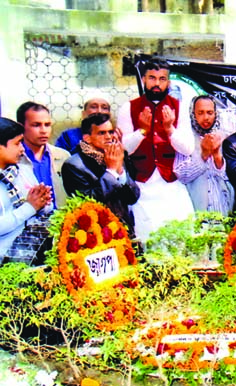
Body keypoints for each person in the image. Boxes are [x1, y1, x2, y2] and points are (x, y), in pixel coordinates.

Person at [115, 57, 195, 242]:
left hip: (171, 184)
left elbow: (188, 148)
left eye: (162, 79)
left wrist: (169, 129)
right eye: (152, 78)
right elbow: (124, 149)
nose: (156, 84)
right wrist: (142, 130)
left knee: (179, 238)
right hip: (141, 185)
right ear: (143, 79)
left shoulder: (179, 107)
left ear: (168, 82)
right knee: (146, 238)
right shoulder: (129, 108)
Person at [61, 113, 140, 232]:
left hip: (123, 229)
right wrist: (111, 172)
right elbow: (88, 202)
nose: (108, 137)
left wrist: (121, 171)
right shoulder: (73, 165)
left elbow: (132, 197)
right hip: (95, 234)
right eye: (102, 133)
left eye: (110, 132)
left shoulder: (116, 156)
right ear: (87, 138)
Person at [0, 117, 53, 264]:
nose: (22, 149)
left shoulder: (23, 171)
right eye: (17, 143)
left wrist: (43, 202)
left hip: (37, 253)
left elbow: (42, 210)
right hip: (6, 264)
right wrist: (29, 207)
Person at [174, 95, 234, 216]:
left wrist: (217, 156)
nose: (206, 118)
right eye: (200, 113)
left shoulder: (225, 138)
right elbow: (182, 175)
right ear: (193, 114)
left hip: (224, 208)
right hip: (197, 212)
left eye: (210, 113)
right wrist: (204, 155)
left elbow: (231, 175)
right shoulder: (185, 140)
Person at [16, 101, 69, 208]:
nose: (44, 131)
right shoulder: (13, 158)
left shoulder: (63, 156)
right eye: (36, 125)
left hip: (61, 221)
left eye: (47, 125)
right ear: (21, 127)